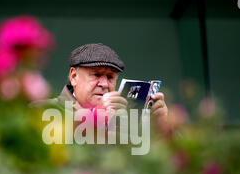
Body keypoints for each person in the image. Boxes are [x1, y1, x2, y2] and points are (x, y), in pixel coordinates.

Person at [31, 43, 168, 125]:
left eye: (110, 77)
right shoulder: (41, 109)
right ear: (74, 77)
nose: (104, 84)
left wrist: (160, 128)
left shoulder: (125, 119)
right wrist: (95, 116)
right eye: (96, 75)